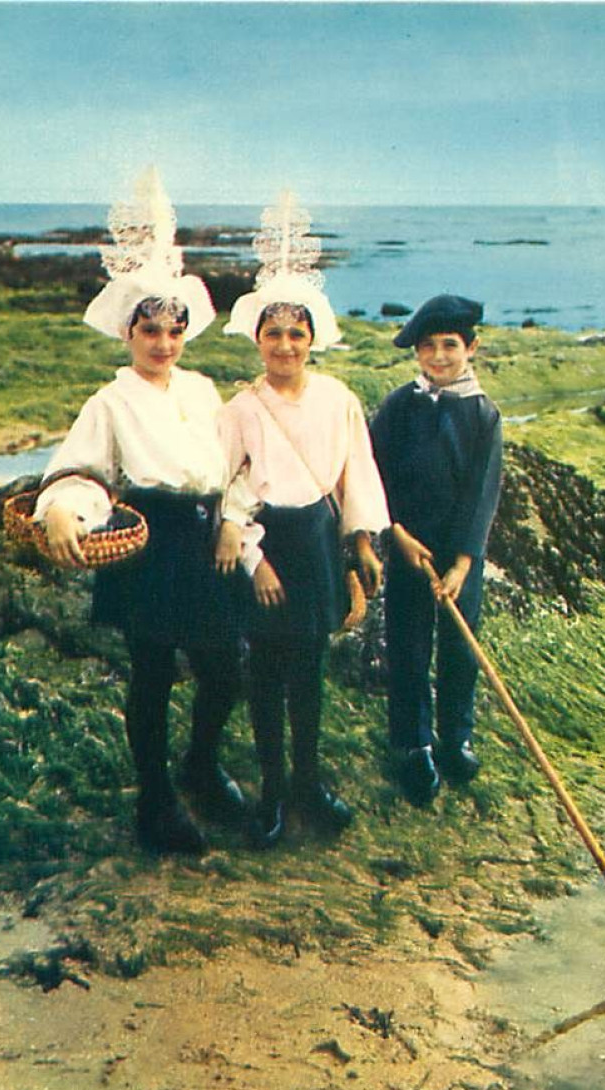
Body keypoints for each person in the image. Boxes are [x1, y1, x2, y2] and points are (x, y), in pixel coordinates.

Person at [35, 168, 255, 855]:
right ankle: (156, 802)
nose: (163, 342)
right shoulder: (112, 401)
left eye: (173, 329)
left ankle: (201, 763)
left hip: (206, 542)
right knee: (154, 676)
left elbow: (237, 464)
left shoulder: (203, 387)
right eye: (150, 329)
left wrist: (230, 520)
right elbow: (83, 473)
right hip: (148, 546)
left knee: (226, 671)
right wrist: (65, 511)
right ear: (128, 332)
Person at [219, 196, 389, 847]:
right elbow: (228, 484)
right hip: (270, 545)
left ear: (312, 338)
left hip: (318, 540)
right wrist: (252, 560)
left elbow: (356, 472)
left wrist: (361, 543)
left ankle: (308, 782)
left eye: (296, 333)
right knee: (265, 671)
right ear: (256, 338)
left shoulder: (337, 399)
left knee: (309, 670)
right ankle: (269, 790)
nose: (285, 345)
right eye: (273, 333)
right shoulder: (243, 407)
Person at [370, 294, 503, 805]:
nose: (440, 357)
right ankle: (413, 744)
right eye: (429, 347)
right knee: (408, 645)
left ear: (471, 347)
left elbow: (482, 492)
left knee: (459, 648)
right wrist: (395, 533)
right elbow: (373, 474)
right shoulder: (400, 406)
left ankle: (455, 737)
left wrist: (465, 561)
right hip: (408, 549)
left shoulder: (483, 414)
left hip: (457, 557)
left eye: (450, 346)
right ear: (417, 353)